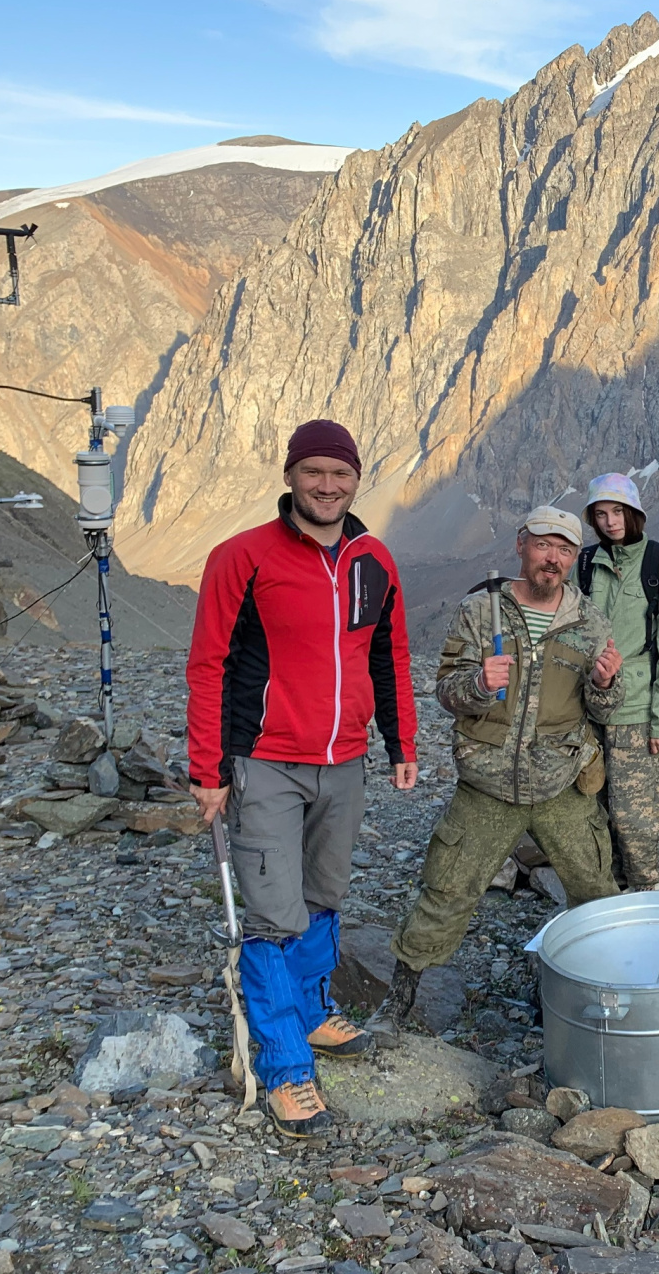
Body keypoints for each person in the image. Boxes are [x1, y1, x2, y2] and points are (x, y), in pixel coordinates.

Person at [186, 419, 418, 1138]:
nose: (327, 485)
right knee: (271, 916)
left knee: (324, 895)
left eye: (339, 474)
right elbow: (207, 665)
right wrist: (207, 769)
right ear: (290, 476)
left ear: (356, 479)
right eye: (313, 472)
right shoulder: (243, 557)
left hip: (344, 762)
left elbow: (391, 654)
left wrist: (399, 742)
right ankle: (287, 1068)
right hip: (266, 763)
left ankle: (314, 1013)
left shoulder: (372, 558)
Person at [369, 506, 624, 1045]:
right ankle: (397, 1002)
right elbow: (446, 692)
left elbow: (605, 709)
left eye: (563, 550)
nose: (552, 558)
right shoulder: (480, 613)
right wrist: (480, 686)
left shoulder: (590, 623)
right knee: (447, 889)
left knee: (597, 893)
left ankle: (612, 1000)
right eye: (542, 545)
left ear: (573, 558)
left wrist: (605, 684)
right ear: (521, 546)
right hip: (487, 784)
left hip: (561, 781)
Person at [578, 474, 659, 892]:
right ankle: (611, 895)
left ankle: (649, 894)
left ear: (634, 512)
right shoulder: (586, 563)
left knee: (635, 818)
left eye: (617, 511)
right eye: (601, 514)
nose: (610, 521)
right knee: (594, 809)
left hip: (636, 708)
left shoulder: (658, 562)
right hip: (587, 708)